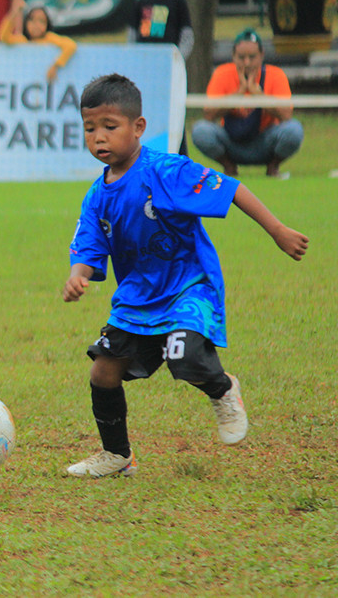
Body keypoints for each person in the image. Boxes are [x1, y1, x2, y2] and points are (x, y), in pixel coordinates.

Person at [62, 73, 309, 478]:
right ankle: (117, 455)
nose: (99, 138)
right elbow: (87, 245)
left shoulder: (166, 170)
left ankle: (224, 389)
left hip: (187, 286)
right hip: (137, 298)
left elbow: (231, 189)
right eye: (90, 129)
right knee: (102, 371)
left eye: (110, 127)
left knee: (185, 356)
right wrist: (78, 274)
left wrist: (278, 231)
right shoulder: (96, 195)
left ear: (138, 127)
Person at [191, 28, 304, 178]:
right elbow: (208, 115)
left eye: (252, 57)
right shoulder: (222, 73)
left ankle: (273, 167)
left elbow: (286, 115)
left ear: (262, 55)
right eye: (241, 57)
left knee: (294, 130)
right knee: (200, 130)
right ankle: (229, 167)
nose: (247, 62)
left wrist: (258, 95)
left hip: (265, 142)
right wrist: (238, 94)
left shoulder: (275, 75)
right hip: (231, 142)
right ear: (233, 56)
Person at [129, 0, 194, 156]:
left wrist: (177, 60)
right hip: (145, 69)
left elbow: (187, 35)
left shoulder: (178, 2)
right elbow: (132, 35)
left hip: (169, 71)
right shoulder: (141, 3)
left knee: (173, 111)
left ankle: (178, 156)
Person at [0, 6, 77, 82]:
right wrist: (14, 14)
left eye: (41, 21)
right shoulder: (22, 41)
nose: (36, 25)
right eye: (32, 20)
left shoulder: (49, 38)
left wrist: (55, 66)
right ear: (26, 22)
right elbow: (4, 37)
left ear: (47, 24)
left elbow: (71, 45)